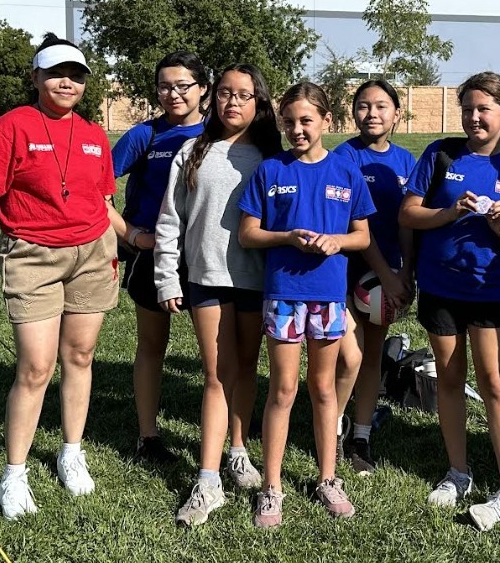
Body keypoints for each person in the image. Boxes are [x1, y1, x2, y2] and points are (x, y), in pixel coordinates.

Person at [0, 34, 124, 520]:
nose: (68, 82)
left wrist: (136, 241)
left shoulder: (94, 134)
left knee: (80, 356)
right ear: (37, 78)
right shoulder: (14, 125)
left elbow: (104, 204)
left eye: (77, 74)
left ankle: (70, 452)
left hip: (92, 254)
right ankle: (15, 473)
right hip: (33, 256)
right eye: (57, 73)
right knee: (36, 368)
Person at [400, 71, 500, 532]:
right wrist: (450, 212)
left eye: (484, 109)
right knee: (449, 378)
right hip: (439, 287)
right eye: (468, 109)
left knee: (495, 383)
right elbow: (409, 213)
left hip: (489, 291)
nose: (474, 117)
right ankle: (458, 473)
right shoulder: (441, 154)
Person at [238, 82, 374, 528]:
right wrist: (287, 236)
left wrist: (337, 242)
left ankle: (328, 478)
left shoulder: (346, 171)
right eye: (289, 121)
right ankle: (271, 487)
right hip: (282, 295)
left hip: (329, 297)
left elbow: (363, 236)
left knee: (323, 389)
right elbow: (248, 233)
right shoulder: (270, 170)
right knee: (282, 390)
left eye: (306, 121)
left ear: (326, 122)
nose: (297, 129)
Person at [159, 65, 283, 527]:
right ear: (214, 99)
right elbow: (171, 219)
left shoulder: (275, 157)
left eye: (245, 95)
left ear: (260, 103)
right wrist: (167, 278)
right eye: (226, 94)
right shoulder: (194, 151)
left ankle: (237, 451)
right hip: (206, 277)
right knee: (216, 373)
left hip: (257, 279)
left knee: (246, 369)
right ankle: (207, 480)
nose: (233, 102)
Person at [110, 52, 210, 464]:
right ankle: (148, 437)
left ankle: (230, 434)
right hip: (152, 256)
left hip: (208, 258)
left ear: (203, 88)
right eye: (165, 86)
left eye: (183, 85)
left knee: (217, 354)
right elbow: (95, 190)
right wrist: (131, 235)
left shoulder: (220, 135)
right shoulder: (142, 136)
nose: (173, 94)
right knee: (153, 346)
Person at [332, 80, 417, 476]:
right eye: (364, 106)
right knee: (344, 353)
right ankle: (330, 425)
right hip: (344, 271)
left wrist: (406, 274)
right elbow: (354, 225)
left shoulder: (405, 162)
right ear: (353, 113)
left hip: (387, 278)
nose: (372, 113)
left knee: (371, 355)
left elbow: (408, 223)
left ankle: (360, 433)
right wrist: (387, 273)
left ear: (396, 113)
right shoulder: (342, 157)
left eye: (382, 106)